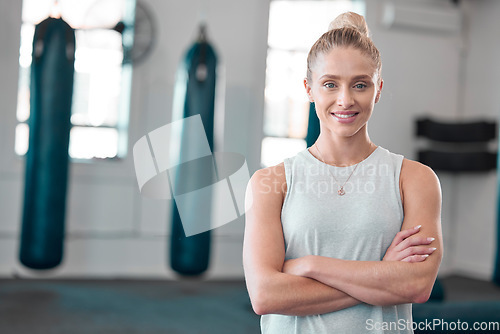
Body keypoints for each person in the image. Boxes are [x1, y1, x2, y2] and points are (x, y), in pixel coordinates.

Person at [243, 11, 443, 333]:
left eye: (360, 84)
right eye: (330, 84)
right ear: (309, 89)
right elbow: (265, 295)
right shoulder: (270, 183)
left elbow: (417, 286)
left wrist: (309, 266)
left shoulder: (415, 180)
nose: (345, 100)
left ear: (378, 89)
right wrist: (382, 275)